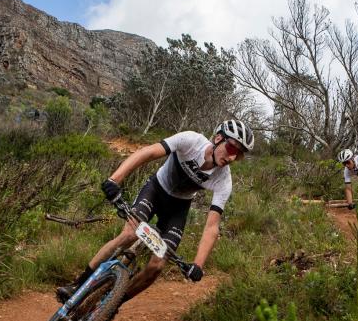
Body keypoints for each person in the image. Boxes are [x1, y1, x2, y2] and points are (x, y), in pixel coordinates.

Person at [56, 119, 255, 306]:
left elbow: (212, 226)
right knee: (129, 234)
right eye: (231, 148)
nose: (232, 157)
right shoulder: (191, 140)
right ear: (218, 138)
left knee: (157, 265)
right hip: (155, 190)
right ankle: (77, 285)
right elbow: (147, 153)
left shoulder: (224, 180)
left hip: (177, 209)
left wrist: (198, 264)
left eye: (238, 155)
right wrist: (114, 179)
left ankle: (113, 304)